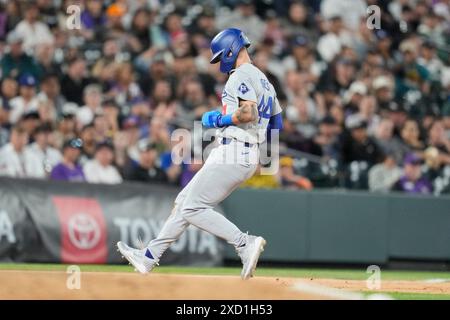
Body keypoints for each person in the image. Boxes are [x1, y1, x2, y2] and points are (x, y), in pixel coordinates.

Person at [117, 28, 283, 280]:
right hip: (244, 152)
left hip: (234, 149)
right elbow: (276, 125)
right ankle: (149, 257)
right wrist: (262, 157)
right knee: (185, 202)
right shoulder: (265, 82)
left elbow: (247, 113)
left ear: (230, 49)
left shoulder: (239, 76)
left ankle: (244, 243)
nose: (219, 63)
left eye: (219, 57)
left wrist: (219, 118)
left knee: (193, 207)